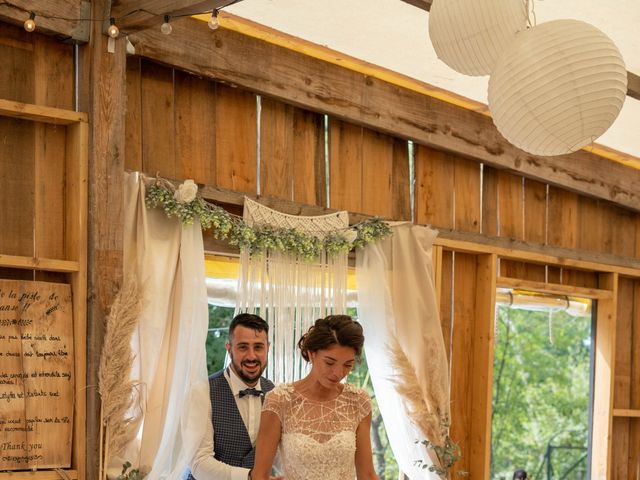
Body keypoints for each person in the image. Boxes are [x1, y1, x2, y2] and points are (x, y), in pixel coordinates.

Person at [250, 314, 379, 480]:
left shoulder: (358, 401)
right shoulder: (279, 400)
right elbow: (259, 475)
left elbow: (367, 474)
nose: (338, 373)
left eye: (347, 364)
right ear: (311, 354)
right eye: (330, 362)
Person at [188, 313, 281, 480]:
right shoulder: (202, 392)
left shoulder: (275, 394)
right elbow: (199, 463)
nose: (252, 356)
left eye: (258, 347)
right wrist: (251, 477)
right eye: (243, 347)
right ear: (229, 349)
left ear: (268, 348)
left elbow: (280, 453)